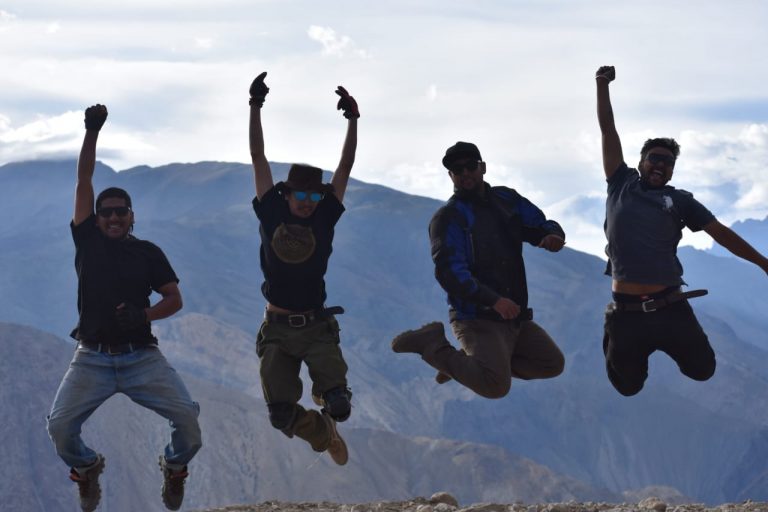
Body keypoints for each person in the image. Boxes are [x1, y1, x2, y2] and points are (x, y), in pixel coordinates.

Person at [46, 105, 202, 512]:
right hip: (92, 358)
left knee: (188, 422)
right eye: (106, 212)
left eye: (121, 212)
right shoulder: (88, 243)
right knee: (61, 428)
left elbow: (174, 298)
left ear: (132, 217)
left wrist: (144, 316)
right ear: (96, 219)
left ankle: (174, 466)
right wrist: (91, 132)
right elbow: (84, 179)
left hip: (140, 357)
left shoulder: (148, 253)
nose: (113, 217)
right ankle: (87, 467)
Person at [595, 65, 768, 396]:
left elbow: (721, 233)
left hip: (669, 305)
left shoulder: (681, 201)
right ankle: (611, 326)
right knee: (627, 386)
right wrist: (602, 84)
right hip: (626, 312)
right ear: (641, 161)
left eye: (668, 162)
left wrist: (763, 262)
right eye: (654, 158)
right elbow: (607, 130)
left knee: (703, 370)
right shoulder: (620, 183)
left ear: (672, 171)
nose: (660, 165)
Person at [391, 141, 566, 399]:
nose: (465, 174)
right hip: (476, 318)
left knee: (551, 363)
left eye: (470, 166)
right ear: (450, 175)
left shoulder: (507, 200)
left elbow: (539, 224)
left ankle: (467, 365)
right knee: (495, 386)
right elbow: (449, 273)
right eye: (456, 170)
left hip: (514, 316)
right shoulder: (448, 218)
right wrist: (493, 300)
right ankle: (431, 345)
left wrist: (552, 235)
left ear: (482, 167)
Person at [248, 72, 358, 465]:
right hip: (277, 329)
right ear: (288, 193)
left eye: (316, 194)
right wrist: (255, 107)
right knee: (280, 415)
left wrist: (352, 122)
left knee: (341, 403)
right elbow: (258, 157)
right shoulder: (272, 211)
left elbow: (344, 167)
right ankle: (322, 433)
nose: (309, 201)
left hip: (315, 327)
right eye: (303, 194)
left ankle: (330, 403)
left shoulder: (324, 218)